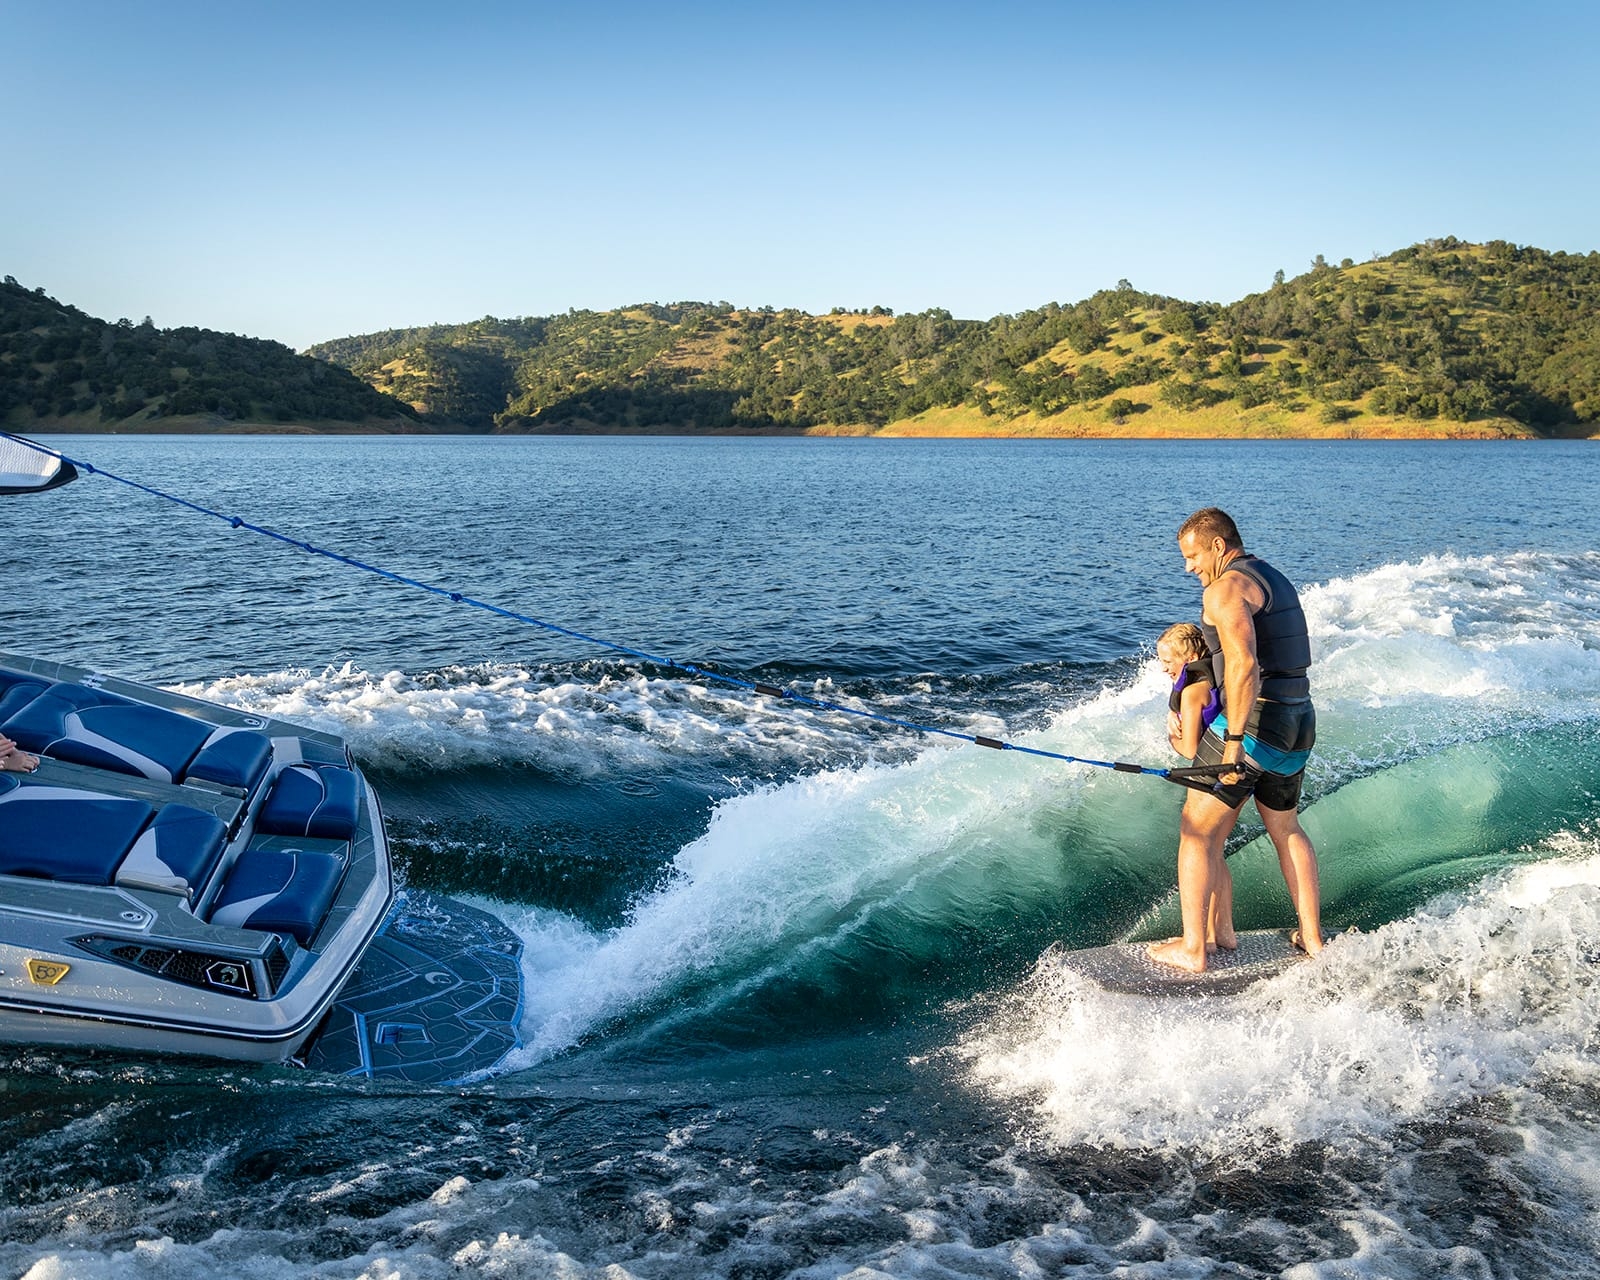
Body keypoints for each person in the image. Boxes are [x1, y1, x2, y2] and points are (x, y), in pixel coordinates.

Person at [1148, 507, 1324, 973]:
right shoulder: (1271, 576)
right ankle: (1310, 938)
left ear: (1218, 546)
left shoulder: (1223, 588)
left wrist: (1232, 743)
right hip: (1298, 719)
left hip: (1257, 724)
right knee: (1286, 828)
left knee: (1196, 831)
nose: (1189, 567)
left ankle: (1193, 949)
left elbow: (1244, 664)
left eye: (1193, 556)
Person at [1157, 622, 1219, 761]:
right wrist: (1172, 713)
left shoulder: (1192, 693)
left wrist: (1171, 735)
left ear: (1192, 659)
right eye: (1161, 662)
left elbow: (1191, 752)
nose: (1163, 668)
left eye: (1168, 662)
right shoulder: (1210, 677)